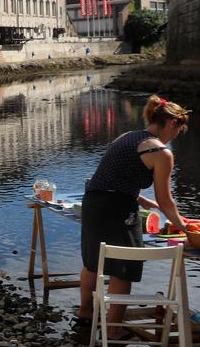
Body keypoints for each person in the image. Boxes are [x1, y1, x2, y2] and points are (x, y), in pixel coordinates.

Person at [76, 95, 191, 323]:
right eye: (179, 131)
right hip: (118, 210)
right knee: (123, 267)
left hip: (92, 202)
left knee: (93, 262)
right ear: (172, 124)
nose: (175, 137)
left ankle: (85, 314)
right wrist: (186, 228)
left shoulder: (127, 136)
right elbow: (166, 201)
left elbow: (111, 175)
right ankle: (114, 327)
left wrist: (140, 199)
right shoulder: (160, 152)